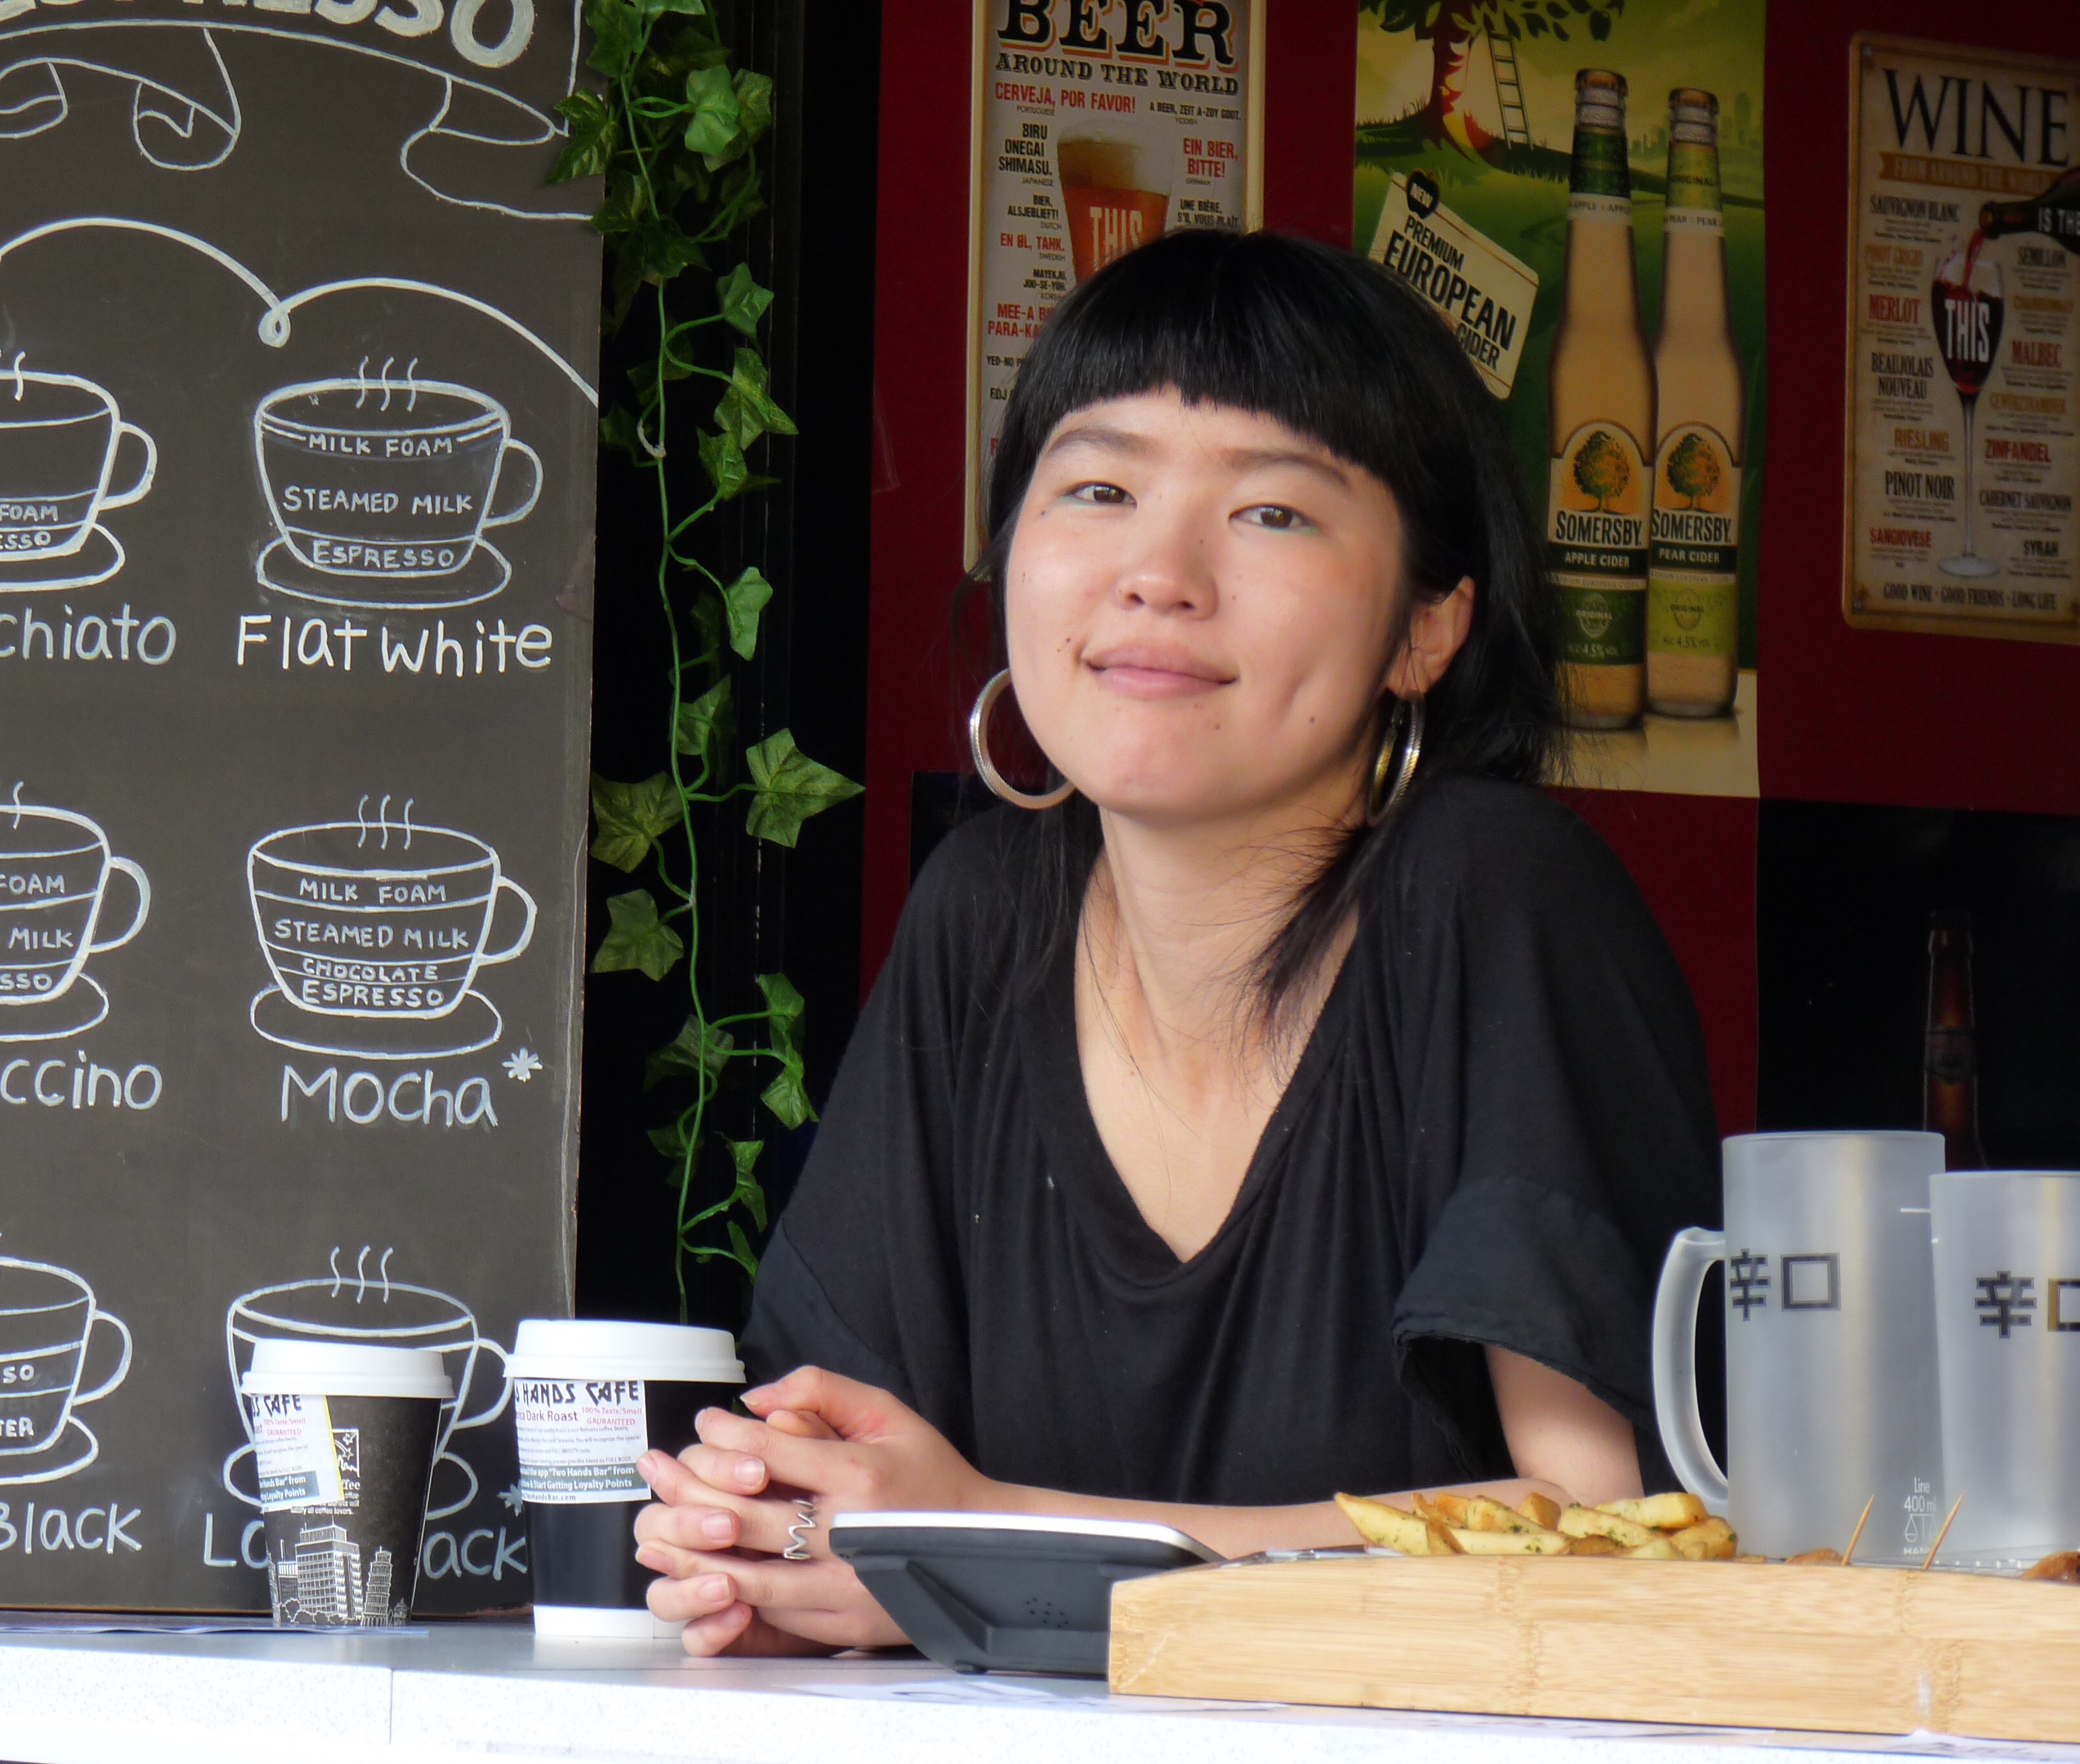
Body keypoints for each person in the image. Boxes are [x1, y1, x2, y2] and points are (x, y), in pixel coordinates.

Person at [634, 227, 1720, 1655]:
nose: (1160, 573)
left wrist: (999, 1548)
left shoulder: (1493, 896)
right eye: (1098, 488)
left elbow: (1610, 1533)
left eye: (1272, 512)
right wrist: (769, 1550)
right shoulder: (984, 918)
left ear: (1428, 628)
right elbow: (840, 1473)